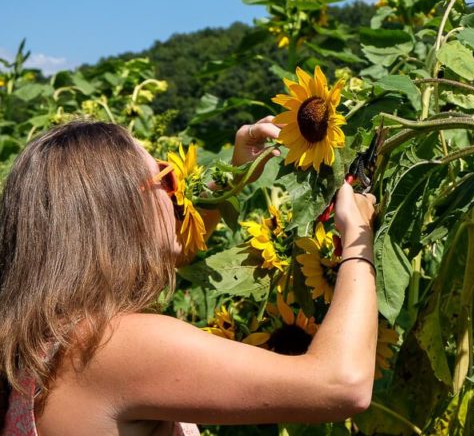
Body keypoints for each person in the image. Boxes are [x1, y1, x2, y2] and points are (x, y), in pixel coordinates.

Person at [0, 117, 378, 435]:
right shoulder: (114, 345)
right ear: (119, 213)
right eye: (167, 181)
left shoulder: (43, 344)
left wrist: (236, 172)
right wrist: (358, 238)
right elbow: (341, 384)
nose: (179, 196)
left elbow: (183, 247)